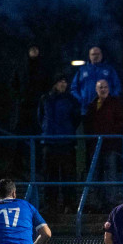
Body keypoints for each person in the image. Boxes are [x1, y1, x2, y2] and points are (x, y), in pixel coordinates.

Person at [37, 73, 81, 212]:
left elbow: (76, 118)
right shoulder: (45, 99)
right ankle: (51, 204)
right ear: (54, 83)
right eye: (60, 81)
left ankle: (70, 204)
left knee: (68, 175)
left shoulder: (71, 100)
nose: (63, 84)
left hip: (66, 142)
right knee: (50, 176)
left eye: (64, 81)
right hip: (50, 142)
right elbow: (40, 117)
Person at [84, 79, 123, 209]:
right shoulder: (92, 105)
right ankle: (96, 202)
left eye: (105, 87)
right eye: (100, 87)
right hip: (96, 145)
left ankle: (111, 201)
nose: (103, 89)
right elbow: (88, 124)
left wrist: (111, 133)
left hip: (110, 144)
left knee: (110, 172)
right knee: (96, 173)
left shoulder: (114, 103)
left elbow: (121, 121)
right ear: (96, 90)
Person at [71, 46, 121, 116]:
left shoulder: (109, 69)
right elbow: (74, 88)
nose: (96, 56)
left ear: (101, 55)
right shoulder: (82, 70)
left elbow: (117, 86)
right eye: (93, 54)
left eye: (98, 54)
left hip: (106, 107)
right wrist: (81, 99)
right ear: (89, 56)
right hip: (87, 108)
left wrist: (111, 98)